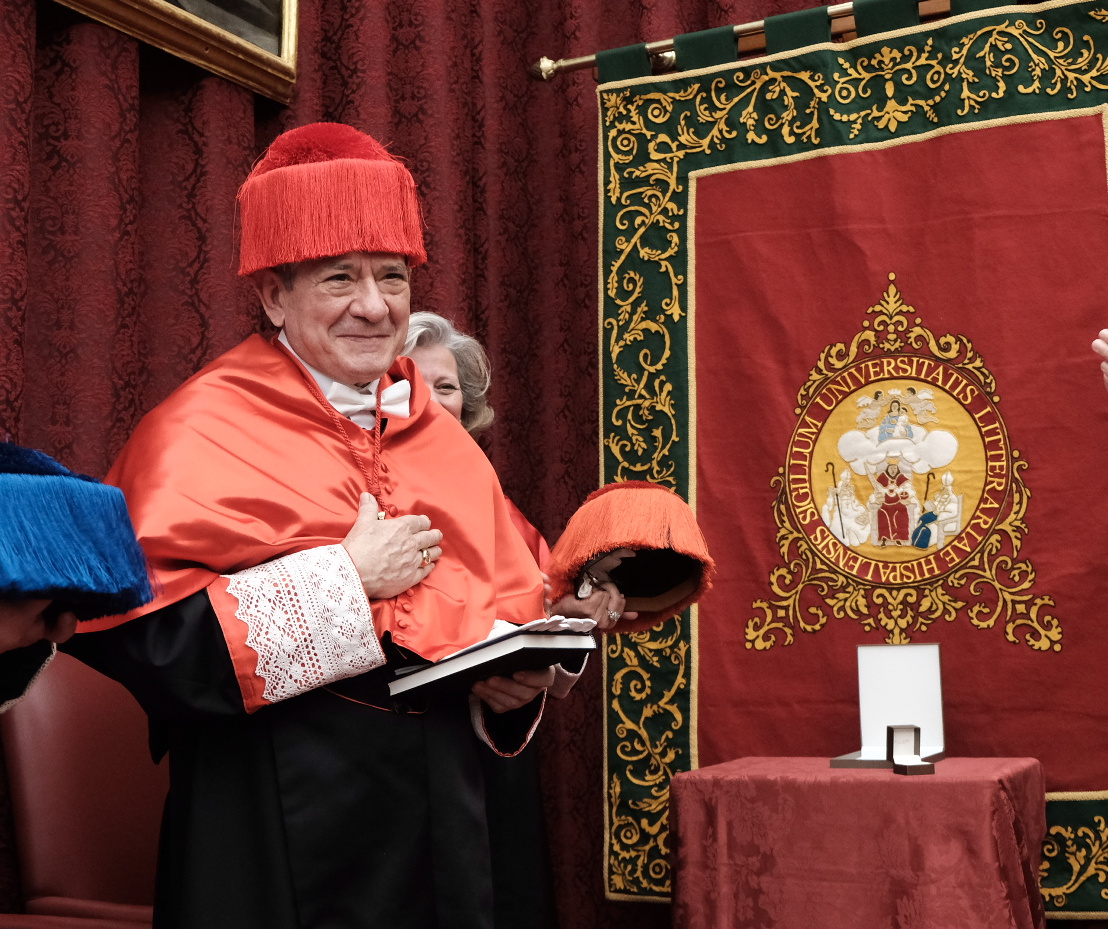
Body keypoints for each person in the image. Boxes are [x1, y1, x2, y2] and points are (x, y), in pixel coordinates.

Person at [64, 123, 561, 929]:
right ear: (273, 295)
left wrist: (509, 691)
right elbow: (146, 647)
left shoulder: (442, 436)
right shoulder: (199, 426)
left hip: (446, 828)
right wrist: (343, 579)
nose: (374, 306)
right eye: (339, 278)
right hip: (277, 822)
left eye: (393, 278)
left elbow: (495, 615)